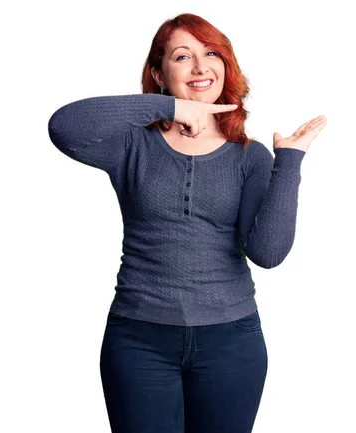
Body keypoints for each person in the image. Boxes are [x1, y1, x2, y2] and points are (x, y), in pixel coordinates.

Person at [47, 12, 327, 433]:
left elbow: (268, 254)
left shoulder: (248, 157)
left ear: (225, 66)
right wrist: (171, 107)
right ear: (159, 73)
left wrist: (289, 161)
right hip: (139, 339)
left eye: (211, 53)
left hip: (231, 343)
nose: (200, 66)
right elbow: (64, 127)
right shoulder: (131, 145)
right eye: (183, 56)